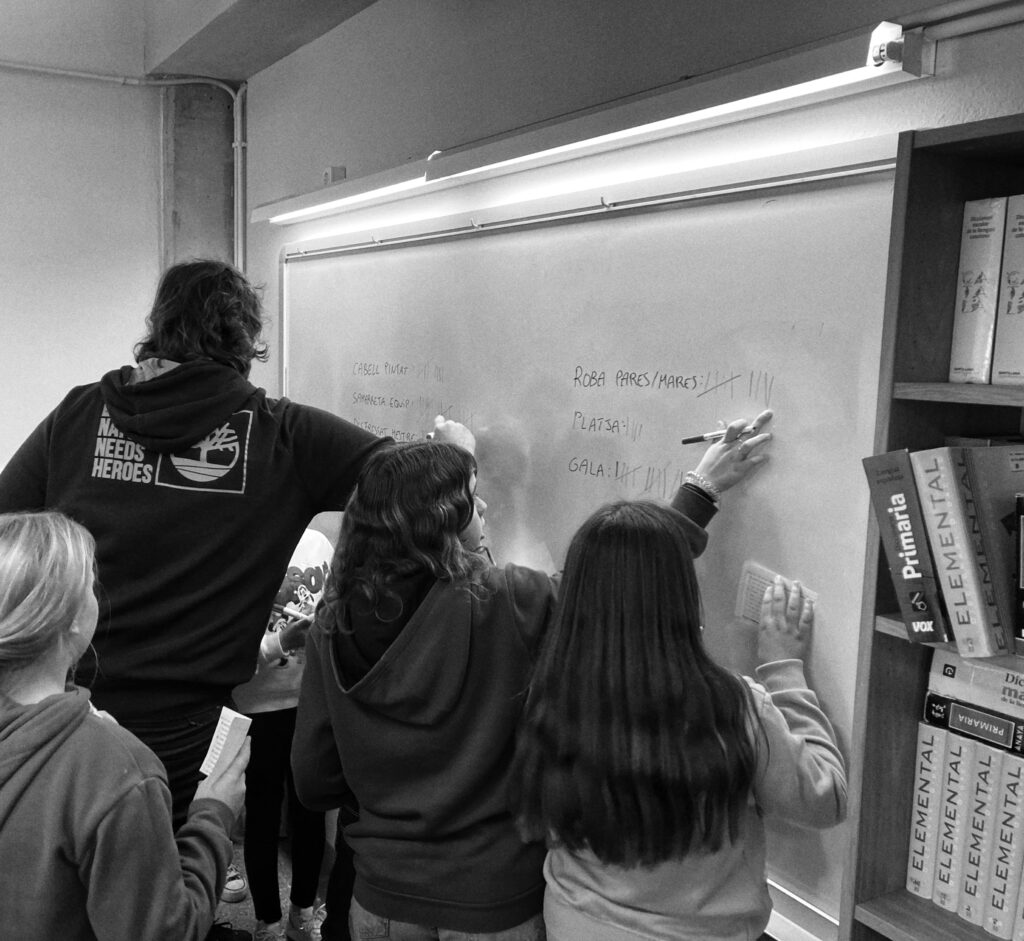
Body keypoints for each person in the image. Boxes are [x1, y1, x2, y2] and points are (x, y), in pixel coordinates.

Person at [0, 258, 471, 843]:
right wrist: (455, 452)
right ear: (245, 339)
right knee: (169, 865)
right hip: (189, 729)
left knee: (65, 858)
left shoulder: (79, 413)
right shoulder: (281, 434)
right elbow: (414, 486)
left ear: (159, 327)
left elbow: (8, 528)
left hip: (65, 704)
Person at [290, 411, 772, 941]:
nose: (483, 507)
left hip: (383, 898)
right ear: (441, 521)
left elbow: (314, 780)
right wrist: (699, 492)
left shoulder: (331, 624)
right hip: (496, 902)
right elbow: (610, 586)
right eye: (471, 499)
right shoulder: (509, 603)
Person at [512, 501, 848, 941]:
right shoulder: (735, 706)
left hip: (573, 925)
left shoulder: (552, 692)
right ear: (683, 598)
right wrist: (784, 668)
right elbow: (827, 799)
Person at [0, 510, 249, 941]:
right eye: (89, 585)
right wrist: (213, 815)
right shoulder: (118, 769)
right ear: (71, 617)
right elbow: (164, 932)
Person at [232, 529, 334, 941]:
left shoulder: (320, 544)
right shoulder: (242, 542)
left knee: (311, 811)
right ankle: (268, 923)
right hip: (255, 705)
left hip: (309, 703)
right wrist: (281, 642)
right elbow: (227, 645)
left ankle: (302, 914)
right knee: (261, 814)